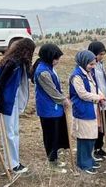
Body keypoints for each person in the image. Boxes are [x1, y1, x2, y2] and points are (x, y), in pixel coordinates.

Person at [0, 38, 35, 174]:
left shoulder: (20, 62)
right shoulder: (12, 63)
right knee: (9, 133)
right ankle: (12, 164)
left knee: (14, 131)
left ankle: (14, 161)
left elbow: (31, 76)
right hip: (6, 102)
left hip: (12, 100)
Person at [31, 43, 70, 173]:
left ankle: (55, 158)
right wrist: (64, 100)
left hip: (54, 108)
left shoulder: (49, 67)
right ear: (49, 57)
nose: (57, 61)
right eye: (56, 58)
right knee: (50, 136)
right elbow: (52, 91)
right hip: (48, 109)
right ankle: (52, 162)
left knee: (56, 134)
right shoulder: (43, 72)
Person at [69, 50, 106, 174]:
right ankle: (83, 164)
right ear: (84, 62)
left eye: (93, 64)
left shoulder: (88, 73)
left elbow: (95, 88)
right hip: (82, 110)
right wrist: (98, 98)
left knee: (91, 136)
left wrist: (101, 95)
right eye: (90, 64)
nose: (93, 66)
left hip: (91, 109)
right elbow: (82, 94)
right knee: (84, 137)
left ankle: (89, 159)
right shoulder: (77, 76)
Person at [88, 41, 106, 160]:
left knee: (103, 125)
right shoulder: (91, 66)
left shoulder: (101, 64)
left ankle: (99, 147)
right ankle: (94, 149)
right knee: (97, 125)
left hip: (104, 100)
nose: (102, 56)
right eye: (100, 54)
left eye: (103, 54)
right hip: (96, 101)